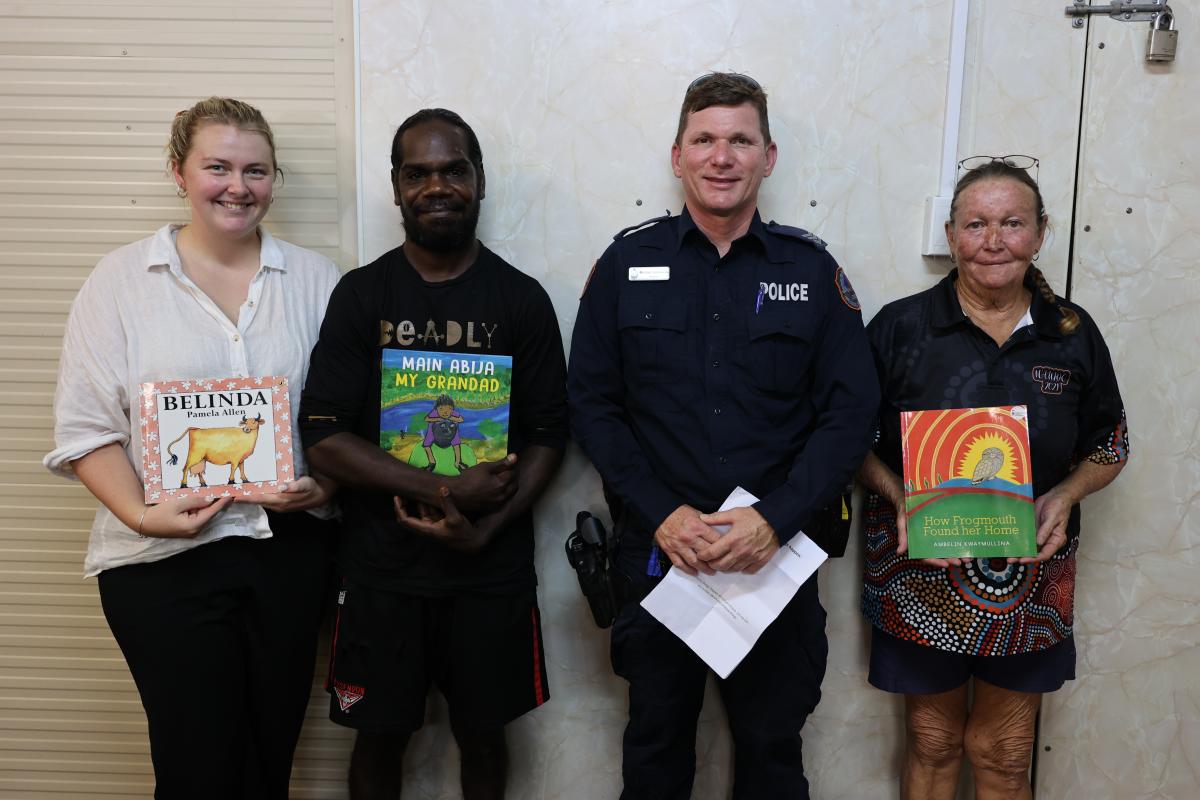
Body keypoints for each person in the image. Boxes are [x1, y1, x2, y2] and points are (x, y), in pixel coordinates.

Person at [567, 73, 879, 799]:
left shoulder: (811, 271)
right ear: (676, 156)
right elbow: (592, 406)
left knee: (772, 758)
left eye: (741, 140)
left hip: (775, 560)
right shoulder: (623, 266)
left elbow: (849, 415)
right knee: (655, 755)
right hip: (659, 556)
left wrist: (775, 518)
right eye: (704, 140)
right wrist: (662, 514)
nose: (722, 156)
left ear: (769, 157)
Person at [43, 97, 341, 799]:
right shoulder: (119, 282)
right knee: (196, 766)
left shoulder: (320, 282)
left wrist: (324, 488)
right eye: (217, 166)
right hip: (159, 563)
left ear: (274, 178)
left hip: (288, 552)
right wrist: (145, 514)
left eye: (255, 170)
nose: (237, 186)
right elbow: (87, 429)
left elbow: (345, 420)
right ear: (179, 171)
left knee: (269, 760)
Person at [299, 108, 567, 800]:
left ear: (479, 181)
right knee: (378, 738)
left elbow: (548, 435)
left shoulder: (522, 300)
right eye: (417, 173)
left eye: (454, 170)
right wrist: (446, 491)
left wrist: (486, 527)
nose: (436, 186)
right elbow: (323, 435)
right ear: (395, 187)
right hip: (381, 573)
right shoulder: (362, 295)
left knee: (484, 739)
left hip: (491, 571)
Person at [857, 157, 1129, 799]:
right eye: (975, 224)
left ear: (1040, 233)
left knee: (1003, 753)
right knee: (933, 742)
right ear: (951, 234)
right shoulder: (900, 328)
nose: (994, 240)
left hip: (1031, 581)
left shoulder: (1072, 332)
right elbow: (842, 441)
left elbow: (1112, 442)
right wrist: (901, 495)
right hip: (919, 577)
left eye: (1012, 223)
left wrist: (1067, 492)